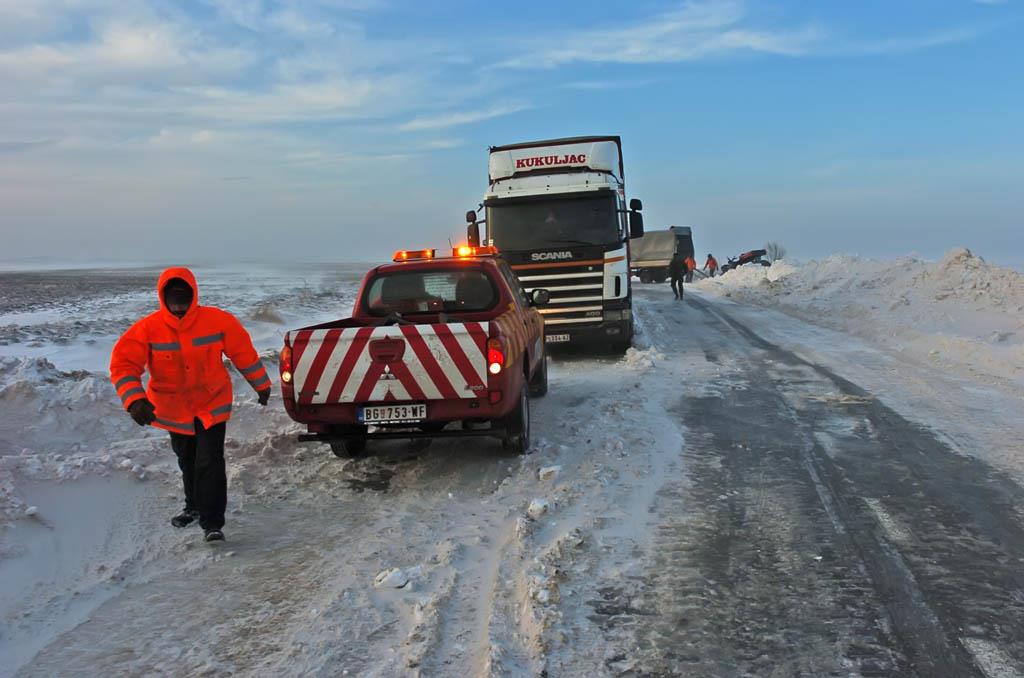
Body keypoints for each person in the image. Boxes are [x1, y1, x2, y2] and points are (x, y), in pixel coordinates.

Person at [110, 267, 271, 543]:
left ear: (193, 295)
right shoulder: (148, 329)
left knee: (210, 461)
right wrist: (134, 399)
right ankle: (193, 507)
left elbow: (243, 353)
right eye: (173, 299)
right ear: (163, 297)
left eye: (183, 298)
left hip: (211, 403)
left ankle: (212, 523)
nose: (179, 305)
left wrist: (261, 384)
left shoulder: (218, 321)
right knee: (187, 460)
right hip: (174, 409)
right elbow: (123, 365)